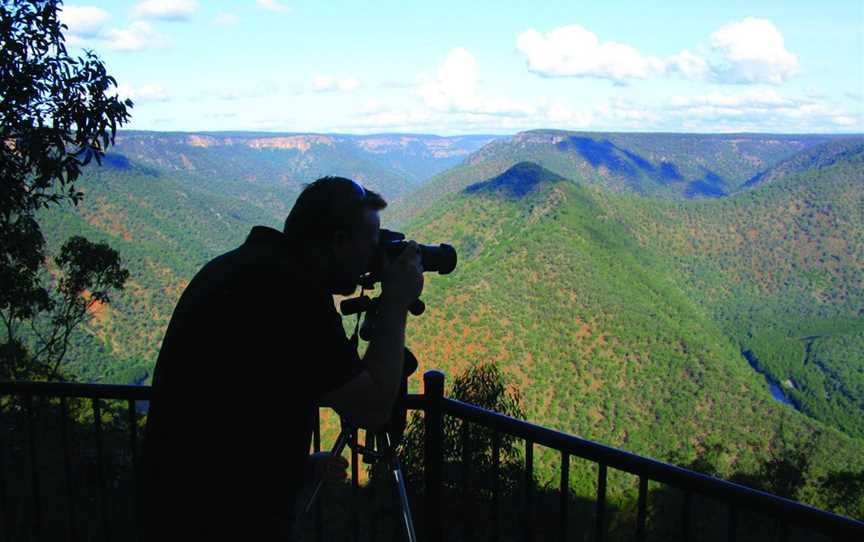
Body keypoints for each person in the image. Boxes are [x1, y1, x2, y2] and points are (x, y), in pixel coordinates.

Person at [137, 176, 424, 541]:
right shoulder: (292, 294)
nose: (373, 259)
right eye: (370, 244)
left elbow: (233, 406)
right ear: (338, 242)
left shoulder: (245, 268)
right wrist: (396, 302)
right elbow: (371, 408)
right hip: (218, 519)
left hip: (178, 501)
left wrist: (294, 469)